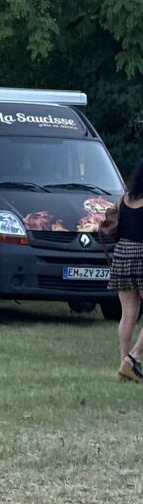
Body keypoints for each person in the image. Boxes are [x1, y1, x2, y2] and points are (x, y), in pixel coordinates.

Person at [108, 159, 143, 382]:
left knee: (127, 313)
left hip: (122, 254)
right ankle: (133, 357)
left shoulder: (124, 199)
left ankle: (124, 362)